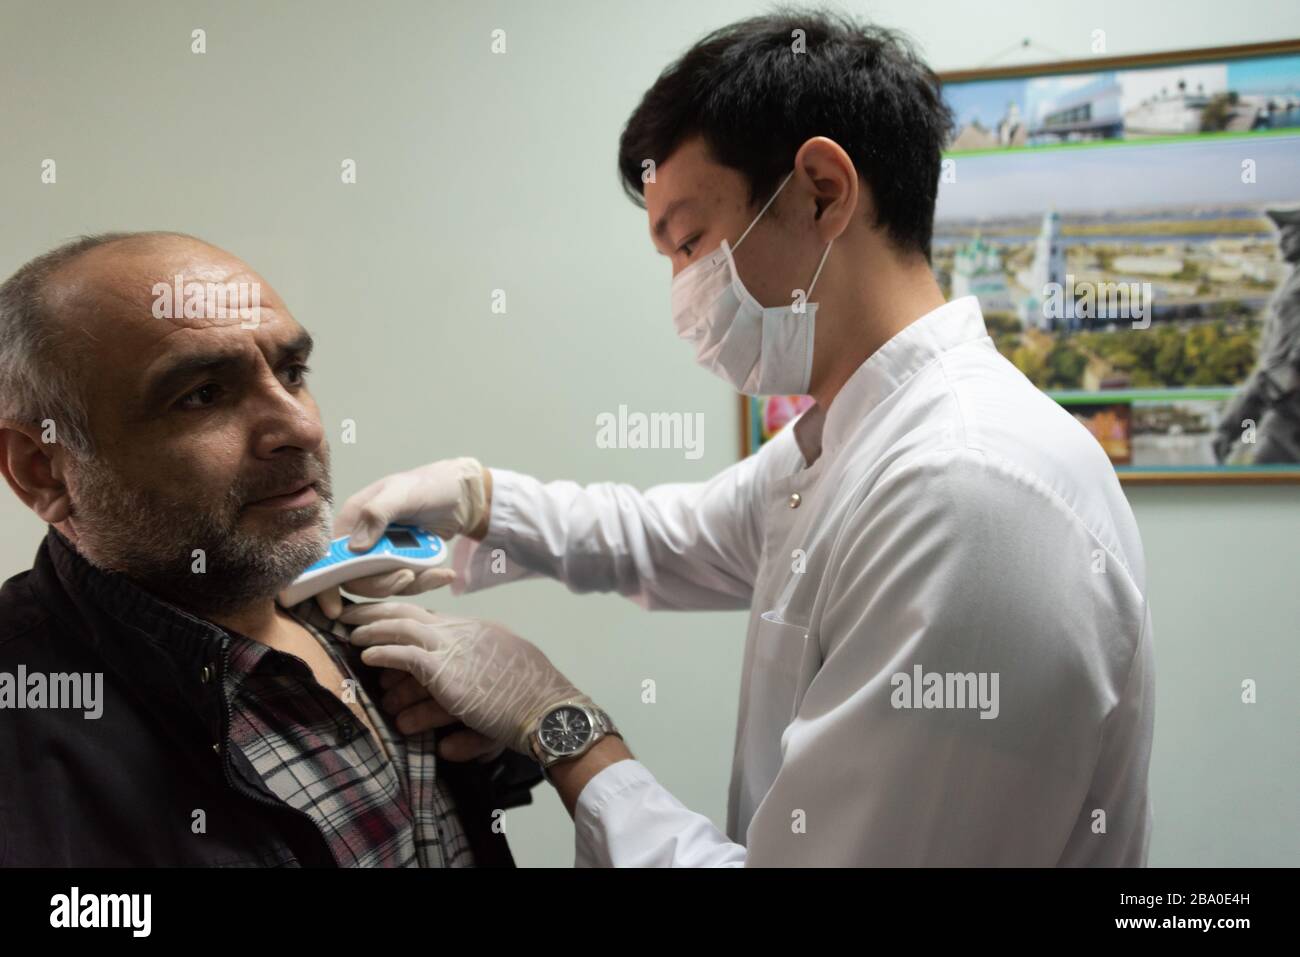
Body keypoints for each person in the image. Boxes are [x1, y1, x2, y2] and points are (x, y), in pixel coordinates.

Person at [324, 11, 1156, 867]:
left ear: (821, 190)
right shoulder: (847, 437)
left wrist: (559, 723)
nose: (684, 289)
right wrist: (477, 500)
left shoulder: (967, 491)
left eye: (690, 241)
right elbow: (666, 536)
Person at [0, 231, 539, 867]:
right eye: (203, 394)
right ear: (44, 469)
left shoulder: (344, 615)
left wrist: (494, 754)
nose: (303, 427)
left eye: (292, 372)